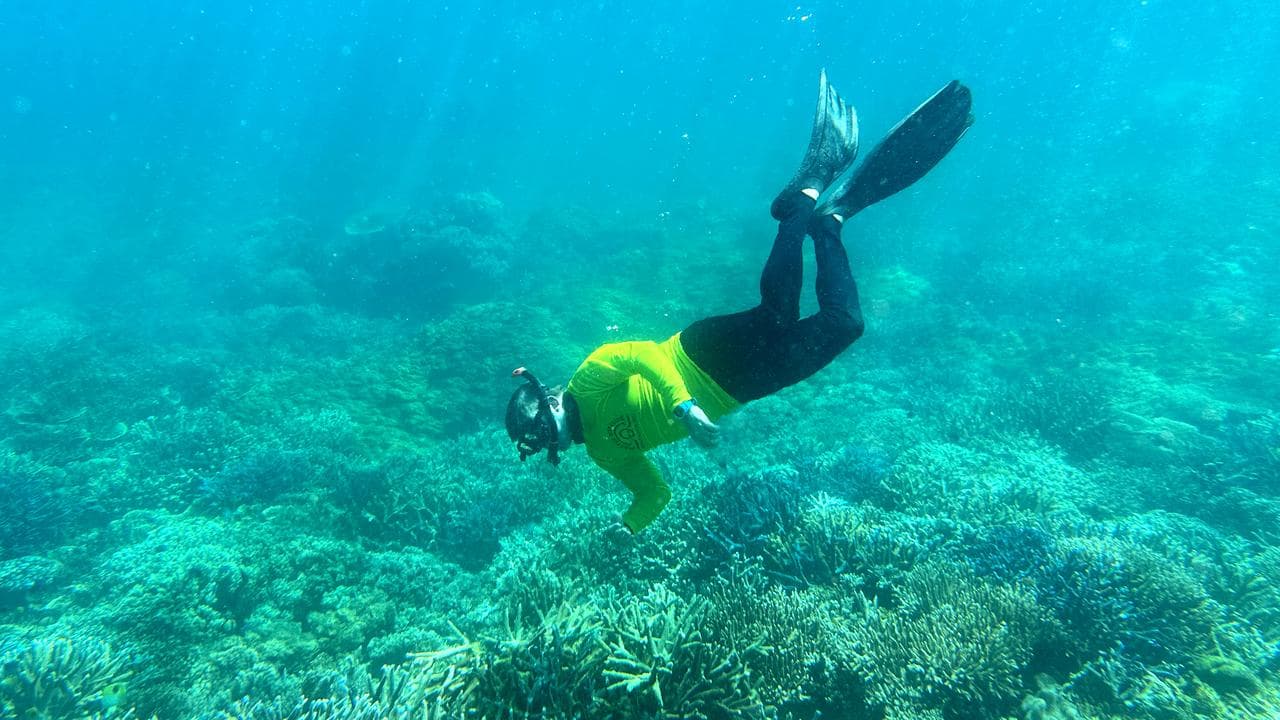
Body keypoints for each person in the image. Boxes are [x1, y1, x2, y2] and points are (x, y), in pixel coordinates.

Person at [506, 71, 973, 534]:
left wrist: (684, 407)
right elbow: (654, 493)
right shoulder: (603, 454)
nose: (544, 438)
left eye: (538, 426)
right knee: (846, 325)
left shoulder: (588, 380)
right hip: (736, 391)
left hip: (698, 355)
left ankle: (801, 198)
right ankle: (831, 221)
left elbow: (642, 355)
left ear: (550, 400)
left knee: (778, 314)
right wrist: (627, 527)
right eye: (535, 439)